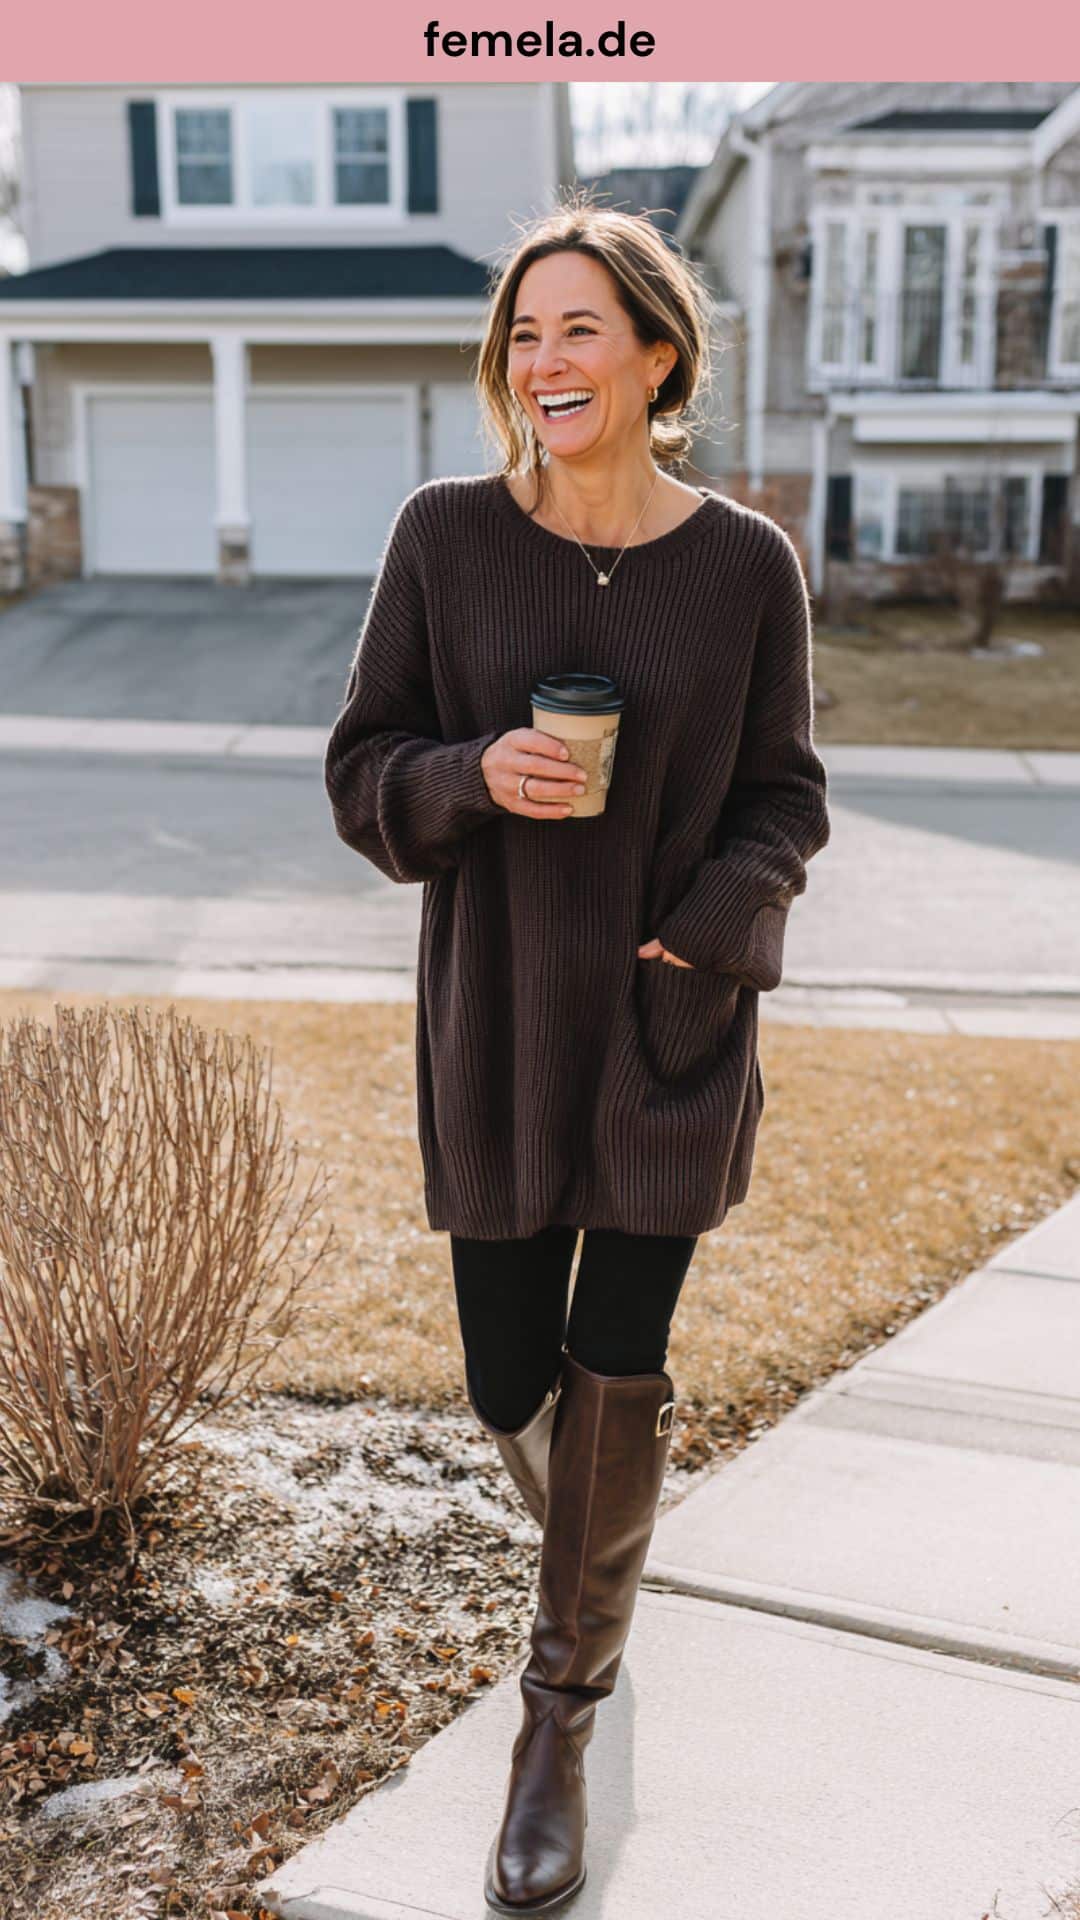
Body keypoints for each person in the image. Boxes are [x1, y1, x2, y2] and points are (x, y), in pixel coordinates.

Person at [324, 193, 831, 1914]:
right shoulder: (445, 536)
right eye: (523, 334)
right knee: (500, 1374)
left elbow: (788, 800)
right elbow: (362, 769)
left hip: (671, 1023)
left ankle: (559, 1719)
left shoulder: (746, 564)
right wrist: (470, 778)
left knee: (618, 1355)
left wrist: (706, 920)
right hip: (498, 1024)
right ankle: (601, 1562)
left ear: (657, 353)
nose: (544, 360)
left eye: (579, 331)